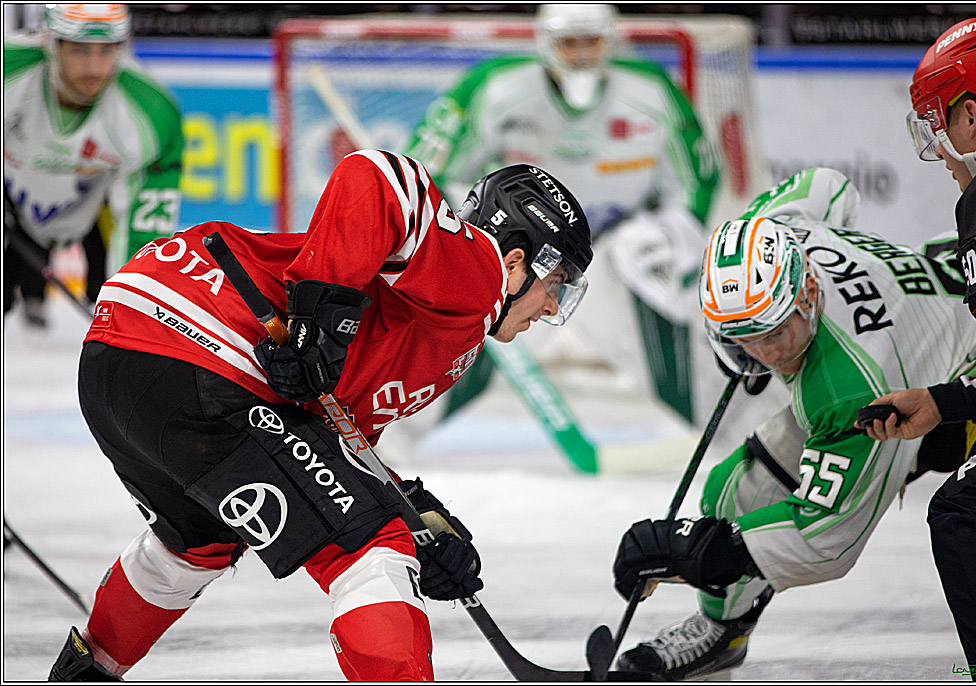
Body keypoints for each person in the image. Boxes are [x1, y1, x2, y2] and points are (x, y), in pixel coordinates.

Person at [45, 152, 593, 681]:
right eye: (557, 285)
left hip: (121, 357)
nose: (551, 308)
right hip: (202, 347)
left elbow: (330, 439)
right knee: (370, 548)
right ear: (519, 262)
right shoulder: (479, 273)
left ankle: (86, 671)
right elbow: (377, 176)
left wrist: (411, 509)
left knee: (198, 541)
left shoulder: (455, 336)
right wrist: (317, 320)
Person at [607, 166, 976, 680]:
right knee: (734, 491)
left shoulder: (849, 386)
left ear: (808, 293)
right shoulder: (776, 233)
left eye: (773, 333)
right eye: (740, 336)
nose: (763, 354)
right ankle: (722, 632)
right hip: (942, 297)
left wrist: (705, 552)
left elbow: (828, 536)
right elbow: (829, 184)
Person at [405, 3, 720, 425]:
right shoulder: (494, 87)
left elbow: (696, 181)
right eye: (569, 42)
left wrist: (672, 231)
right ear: (545, 42)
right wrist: (480, 229)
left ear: (610, 41)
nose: (581, 54)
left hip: (614, 257)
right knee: (471, 304)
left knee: (659, 281)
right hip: (524, 257)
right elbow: (431, 172)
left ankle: (706, 421)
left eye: (591, 41)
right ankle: (402, 424)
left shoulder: (653, 93)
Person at [863, 16, 976, 681]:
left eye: (938, 122)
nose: (939, 145)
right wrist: (946, 401)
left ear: (974, 110)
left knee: (967, 509)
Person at [3, 3, 182, 328]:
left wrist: (129, 313)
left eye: (106, 51)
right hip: (13, 197)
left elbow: (144, 233)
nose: (94, 67)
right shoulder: (10, 69)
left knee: (118, 301)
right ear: (51, 43)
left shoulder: (151, 115)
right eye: (80, 51)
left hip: (92, 204)